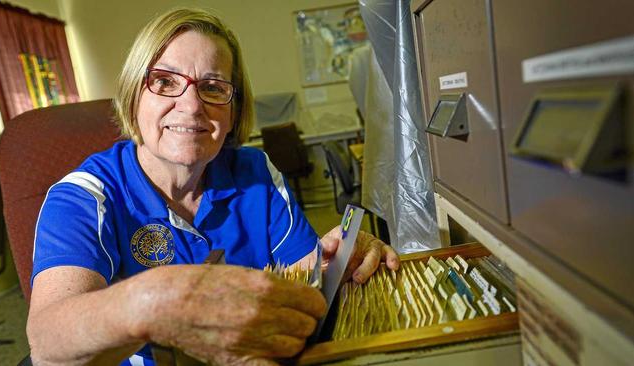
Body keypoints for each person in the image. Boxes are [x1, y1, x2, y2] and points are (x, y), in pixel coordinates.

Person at [27, 8, 399, 366]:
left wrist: (341, 259)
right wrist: (154, 301)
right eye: (165, 81)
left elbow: (304, 279)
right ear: (133, 95)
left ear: (233, 110)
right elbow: (47, 346)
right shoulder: (83, 196)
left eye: (212, 87)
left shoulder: (254, 171)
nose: (190, 106)